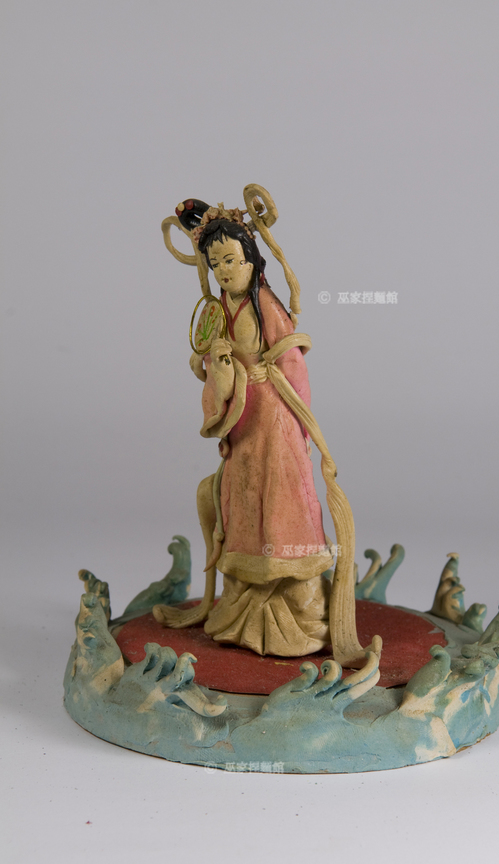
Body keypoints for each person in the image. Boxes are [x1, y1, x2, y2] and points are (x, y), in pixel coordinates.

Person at [157, 204, 334, 656]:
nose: (224, 270)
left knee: (281, 498)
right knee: (240, 497)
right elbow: (207, 359)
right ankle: (241, 605)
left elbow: (292, 362)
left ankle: (300, 606)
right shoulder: (219, 309)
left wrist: (297, 418)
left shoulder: (267, 306)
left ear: (252, 260)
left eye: (232, 260)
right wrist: (211, 364)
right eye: (215, 262)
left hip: (273, 417)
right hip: (242, 419)